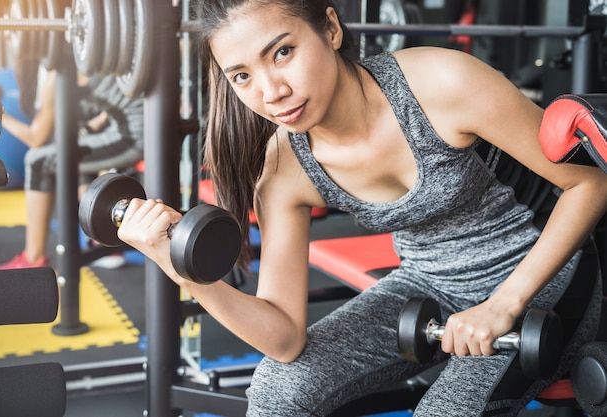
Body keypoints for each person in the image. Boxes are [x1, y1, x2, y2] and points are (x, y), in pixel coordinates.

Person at [116, 1, 607, 416]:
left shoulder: (441, 84)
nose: (270, 92)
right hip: (427, 286)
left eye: (282, 52)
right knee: (277, 390)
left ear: (330, 28)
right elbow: (284, 339)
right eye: (242, 76)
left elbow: (588, 184)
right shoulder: (286, 167)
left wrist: (504, 304)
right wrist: (176, 265)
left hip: (548, 276)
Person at [0, 66, 144, 270]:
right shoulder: (67, 67)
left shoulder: (56, 69)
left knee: (38, 161)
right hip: (118, 127)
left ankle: (33, 260)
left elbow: (35, 138)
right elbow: (101, 113)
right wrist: (87, 130)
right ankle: (102, 238)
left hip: (131, 133)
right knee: (71, 156)